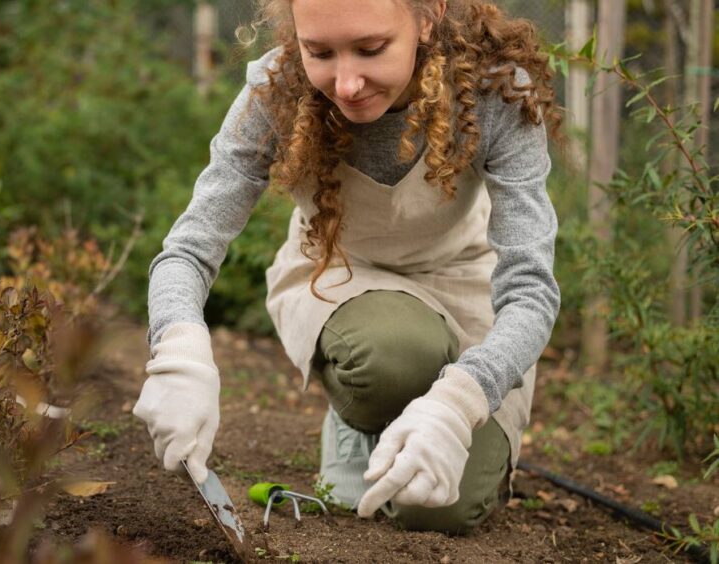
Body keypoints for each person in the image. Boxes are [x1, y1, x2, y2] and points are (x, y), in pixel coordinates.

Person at [132, 0, 562, 534]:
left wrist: (460, 402)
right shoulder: (276, 88)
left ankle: (422, 418)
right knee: (392, 353)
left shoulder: (495, 91)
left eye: (370, 48)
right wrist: (179, 348)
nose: (347, 83)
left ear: (428, 18)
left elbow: (531, 290)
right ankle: (361, 420)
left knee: (438, 507)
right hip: (341, 276)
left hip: (462, 280)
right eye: (320, 52)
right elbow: (190, 247)